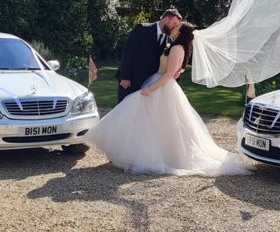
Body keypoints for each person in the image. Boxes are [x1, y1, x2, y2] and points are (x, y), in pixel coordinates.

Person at [86, 22, 251, 177]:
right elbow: (176, 72)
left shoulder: (177, 48)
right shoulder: (177, 46)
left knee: (156, 122)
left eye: (176, 26)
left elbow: (169, 75)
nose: (173, 27)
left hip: (162, 87)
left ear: (180, 32)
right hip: (160, 83)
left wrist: (151, 88)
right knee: (152, 122)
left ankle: (157, 155)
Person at [116, 9, 182, 103]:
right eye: (174, 23)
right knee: (124, 110)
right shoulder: (142, 29)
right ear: (166, 19)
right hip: (131, 80)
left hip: (150, 83)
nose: (175, 27)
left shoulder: (169, 40)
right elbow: (128, 52)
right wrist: (125, 77)